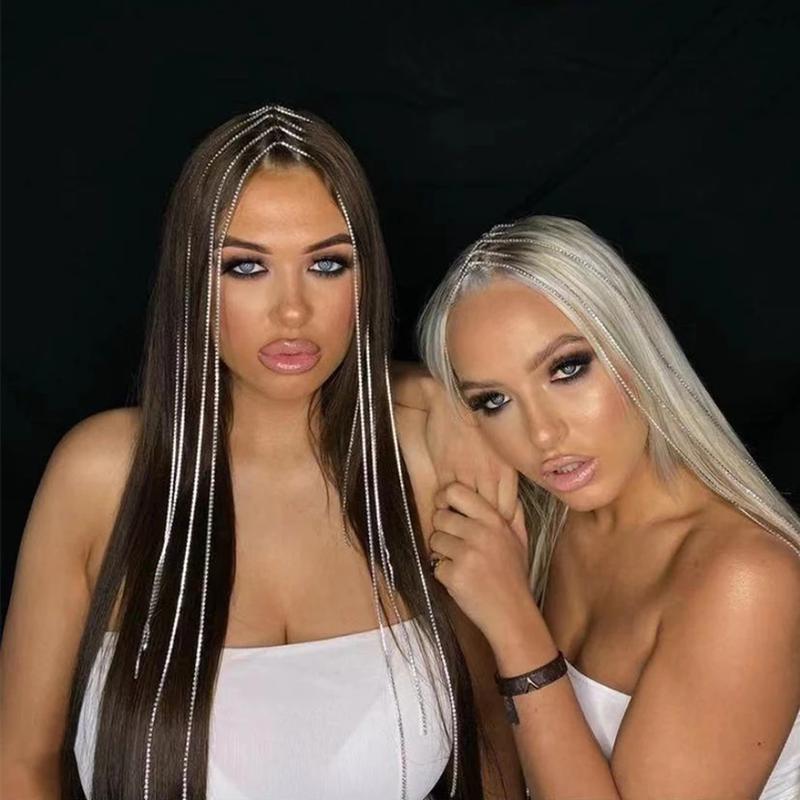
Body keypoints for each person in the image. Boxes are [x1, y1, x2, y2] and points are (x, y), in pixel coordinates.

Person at [0, 106, 523, 800]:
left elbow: (493, 747)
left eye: (328, 264)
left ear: (365, 278)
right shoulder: (102, 478)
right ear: (193, 279)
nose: (293, 311)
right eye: (246, 266)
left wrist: (432, 394)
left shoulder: (428, 463)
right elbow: (20, 765)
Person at [416, 215, 800, 799]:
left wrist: (515, 626)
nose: (543, 434)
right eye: (494, 400)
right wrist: (428, 395)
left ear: (633, 348)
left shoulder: (747, 580)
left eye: (567, 369)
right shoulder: (541, 522)